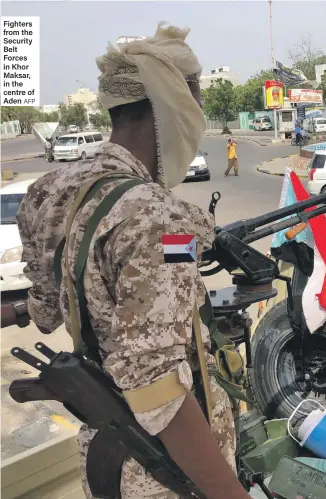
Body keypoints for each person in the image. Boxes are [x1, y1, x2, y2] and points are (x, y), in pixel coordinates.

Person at [17, 23, 250, 499]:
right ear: (172, 107)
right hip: (167, 473)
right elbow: (156, 386)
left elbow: (48, 309)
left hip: (104, 456)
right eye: (195, 108)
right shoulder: (160, 216)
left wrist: (193, 250)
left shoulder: (49, 192)